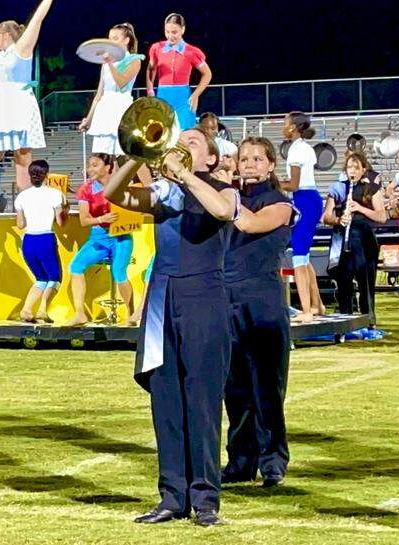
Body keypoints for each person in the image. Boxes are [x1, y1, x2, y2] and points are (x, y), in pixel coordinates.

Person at [104, 128, 237, 527]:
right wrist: (136, 154)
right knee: (165, 401)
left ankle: (205, 499)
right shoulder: (163, 196)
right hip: (162, 296)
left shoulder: (222, 189)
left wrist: (185, 174)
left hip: (204, 296)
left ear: (211, 158)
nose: (182, 144)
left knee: (202, 400)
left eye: (193, 142)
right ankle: (172, 497)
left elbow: (221, 211)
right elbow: (113, 193)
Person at [220, 137, 293, 488]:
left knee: (266, 385)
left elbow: (249, 224)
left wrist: (223, 193)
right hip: (227, 296)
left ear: (270, 165)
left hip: (262, 299)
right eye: (244, 158)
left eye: (257, 159)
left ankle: (273, 460)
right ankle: (240, 460)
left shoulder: (280, 202)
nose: (249, 164)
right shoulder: (229, 196)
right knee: (234, 387)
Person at [0, 0, 73, 191]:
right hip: (2, 104)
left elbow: (37, 19)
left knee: (22, 154)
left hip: (19, 104)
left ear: (7, 34)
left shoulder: (21, 49)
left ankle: (25, 198)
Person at [66, 153, 135, 326]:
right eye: (89, 165)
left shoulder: (122, 184)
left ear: (108, 167)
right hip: (98, 237)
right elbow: (84, 220)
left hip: (121, 236)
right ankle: (80, 313)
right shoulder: (86, 189)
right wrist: (101, 219)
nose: (90, 169)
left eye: (95, 165)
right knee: (75, 266)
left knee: (118, 271)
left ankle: (131, 315)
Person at [322, 152, 387, 324]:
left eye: (356, 168)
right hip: (342, 237)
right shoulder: (338, 188)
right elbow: (325, 217)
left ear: (363, 170)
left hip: (364, 239)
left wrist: (360, 208)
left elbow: (382, 216)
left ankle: (368, 320)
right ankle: (346, 319)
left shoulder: (371, 189)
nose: (352, 171)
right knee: (344, 280)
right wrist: (338, 220)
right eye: (349, 167)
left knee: (366, 280)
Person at [278, 111, 324, 322]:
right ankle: (316, 304)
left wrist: (273, 183)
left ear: (293, 127)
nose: (283, 127)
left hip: (304, 200)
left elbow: (294, 185)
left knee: (298, 254)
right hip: (310, 199)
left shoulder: (296, 150)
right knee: (304, 256)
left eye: (285, 123)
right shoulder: (305, 147)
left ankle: (306, 311)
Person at [79, 23, 145, 157]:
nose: (111, 42)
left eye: (115, 38)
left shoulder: (134, 60)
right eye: (110, 39)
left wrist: (110, 63)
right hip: (105, 109)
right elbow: (99, 95)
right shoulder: (106, 63)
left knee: (122, 155)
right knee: (102, 156)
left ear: (126, 40)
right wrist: (88, 119)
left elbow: (121, 83)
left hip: (121, 106)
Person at [14, 160, 66, 323]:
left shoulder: (22, 196)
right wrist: (64, 206)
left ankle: (26, 309)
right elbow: (61, 222)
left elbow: (20, 224)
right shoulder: (55, 194)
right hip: (45, 239)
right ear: (46, 175)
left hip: (29, 240)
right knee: (55, 278)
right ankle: (42, 309)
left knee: (41, 278)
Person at [146, 13, 212, 131]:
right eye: (167, 32)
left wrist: (196, 94)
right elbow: (151, 69)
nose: (170, 36)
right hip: (163, 97)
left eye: (174, 32)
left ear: (183, 30)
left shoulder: (191, 52)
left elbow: (207, 74)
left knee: (185, 133)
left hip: (184, 99)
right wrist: (150, 91)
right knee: (163, 133)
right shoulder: (157, 48)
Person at [198, 113, 238, 178]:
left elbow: (237, 167)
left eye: (213, 128)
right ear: (199, 128)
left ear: (217, 130)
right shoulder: (192, 147)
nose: (209, 131)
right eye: (205, 128)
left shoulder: (228, 146)